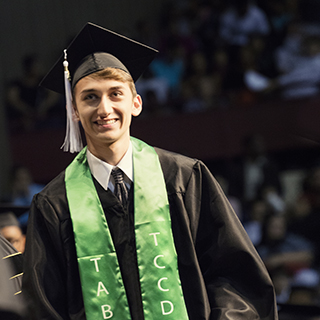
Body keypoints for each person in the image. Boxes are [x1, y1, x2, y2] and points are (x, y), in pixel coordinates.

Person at [22, 22, 277, 320]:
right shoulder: (54, 204)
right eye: (90, 97)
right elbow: (44, 307)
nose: (104, 109)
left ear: (136, 103)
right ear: (74, 111)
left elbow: (234, 276)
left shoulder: (185, 178)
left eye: (115, 94)